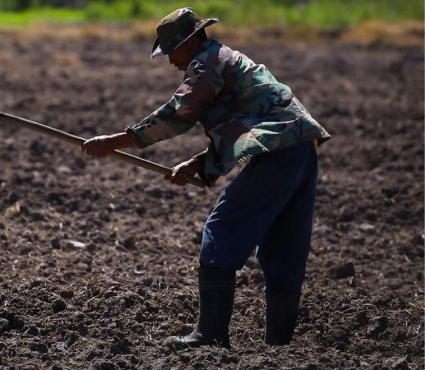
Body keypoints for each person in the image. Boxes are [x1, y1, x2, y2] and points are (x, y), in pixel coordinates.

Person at [81, 7, 330, 348]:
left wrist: (116, 141)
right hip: (299, 149)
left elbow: (179, 114)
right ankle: (279, 347)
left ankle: (210, 335)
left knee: (223, 228)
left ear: (192, 40)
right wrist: (200, 163)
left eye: (173, 51)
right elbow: (249, 123)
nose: (171, 62)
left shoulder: (208, 61)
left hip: (279, 153)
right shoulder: (225, 59)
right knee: (284, 244)